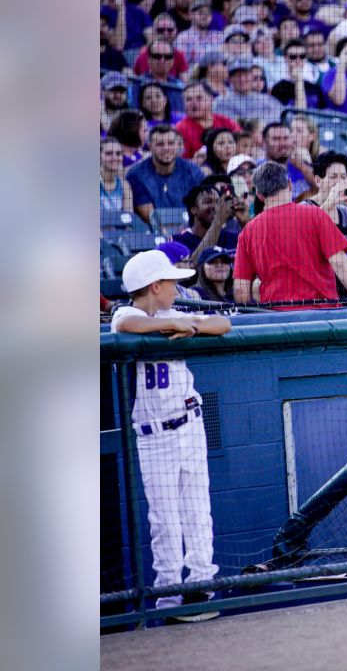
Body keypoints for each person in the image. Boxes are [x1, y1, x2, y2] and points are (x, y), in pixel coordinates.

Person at [112, 249, 231, 621]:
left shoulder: (173, 314)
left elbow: (221, 325)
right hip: (152, 434)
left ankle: (201, 587)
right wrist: (170, 327)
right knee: (164, 519)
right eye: (172, 284)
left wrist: (189, 326)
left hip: (189, 422)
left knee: (198, 511)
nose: (178, 290)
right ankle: (169, 595)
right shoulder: (125, 314)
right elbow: (127, 325)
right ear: (155, 286)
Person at [233, 162, 347, 309]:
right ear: (289, 184)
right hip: (323, 318)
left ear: (259, 195)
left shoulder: (248, 232)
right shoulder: (316, 215)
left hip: (278, 320)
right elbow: (340, 263)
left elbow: (241, 291)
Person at [128, 125, 207, 224]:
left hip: (192, 228)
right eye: (160, 144)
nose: (166, 148)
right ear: (150, 147)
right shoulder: (136, 175)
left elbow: (204, 204)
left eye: (171, 143)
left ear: (178, 145)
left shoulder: (192, 170)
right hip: (156, 233)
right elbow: (151, 217)